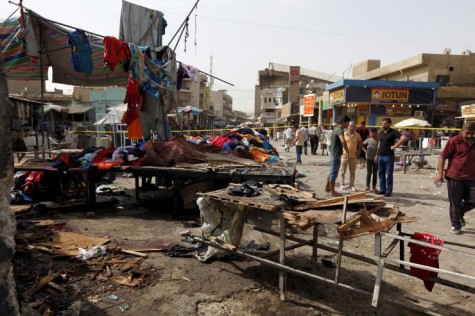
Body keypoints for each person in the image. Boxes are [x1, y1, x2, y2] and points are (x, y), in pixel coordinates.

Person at [434, 122, 475, 235]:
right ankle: (456, 225)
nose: (470, 135)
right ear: (462, 131)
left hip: (472, 177)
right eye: (468, 133)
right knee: (455, 202)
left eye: (473, 133)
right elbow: (442, 157)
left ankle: (459, 213)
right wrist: (439, 174)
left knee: (473, 200)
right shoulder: (454, 141)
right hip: (454, 176)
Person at [375, 118, 407, 197]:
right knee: (381, 173)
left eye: (385, 123)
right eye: (382, 123)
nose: (383, 125)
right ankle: (383, 189)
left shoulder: (393, 132)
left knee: (388, 174)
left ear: (389, 124)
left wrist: (395, 146)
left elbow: (404, 138)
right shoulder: (381, 133)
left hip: (389, 156)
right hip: (380, 155)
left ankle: (388, 191)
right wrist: (376, 154)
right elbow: (379, 144)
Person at [325, 116, 351, 196]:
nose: (348, 125)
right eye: (347, 123)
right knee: (334, 172)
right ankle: (332, 191)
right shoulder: (339, 130)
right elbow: (343, 141)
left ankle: (327, 187)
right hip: (336, 154)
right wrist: (347, 151)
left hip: (333, 153)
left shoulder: (337, 129)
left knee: (331, 171)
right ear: (343, 122)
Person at [339, 121, 362, 191]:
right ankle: (342, 184)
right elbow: (340, 143)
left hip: (353, 156)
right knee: (342, 171)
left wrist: (359, 151)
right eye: (350, 126)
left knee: (352, 172)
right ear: (348, 126)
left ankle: (352, 185)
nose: (352, 128)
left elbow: (360, 142)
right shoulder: (343, 134)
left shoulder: (357, 135)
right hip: (344, 156)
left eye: (353, 126)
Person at [363, 128, 379, 192]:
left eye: (372, 133)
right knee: (369, 173)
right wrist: (365, 151)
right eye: (370, 133)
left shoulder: (379, 140)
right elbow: (362, 145)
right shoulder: (368, 140)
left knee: (375, 173)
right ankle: (367, 186)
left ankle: (374, 187)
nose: (371, 134)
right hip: (369, 158)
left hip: (376, 159)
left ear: (376, 133)